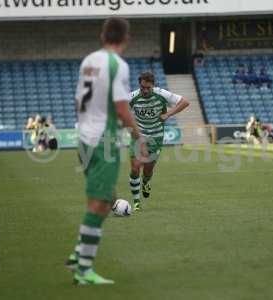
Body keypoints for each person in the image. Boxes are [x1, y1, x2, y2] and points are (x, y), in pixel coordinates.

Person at [64, 18, 148, 285]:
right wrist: (138, 135)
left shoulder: (88, 60)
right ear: (126, 38)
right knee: (100, 203)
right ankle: (84, 270)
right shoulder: (118, 65)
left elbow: (78, 100)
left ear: (102, 36)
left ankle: (78, 256)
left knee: (104, 198)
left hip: (85, 136)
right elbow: (123, 109)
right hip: (104, 140)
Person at [129, 71, 189, 211]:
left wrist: (168, 114)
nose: (145, 90)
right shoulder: (132, 97)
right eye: (142, 87)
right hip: (138, 136)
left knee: (148, 168)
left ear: (153, 86)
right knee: (135, 167)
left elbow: (185, 102)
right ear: (140, 85)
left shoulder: (162, 94)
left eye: (148, 88)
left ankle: (146, 182)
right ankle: (136, 202)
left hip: (155, 138)